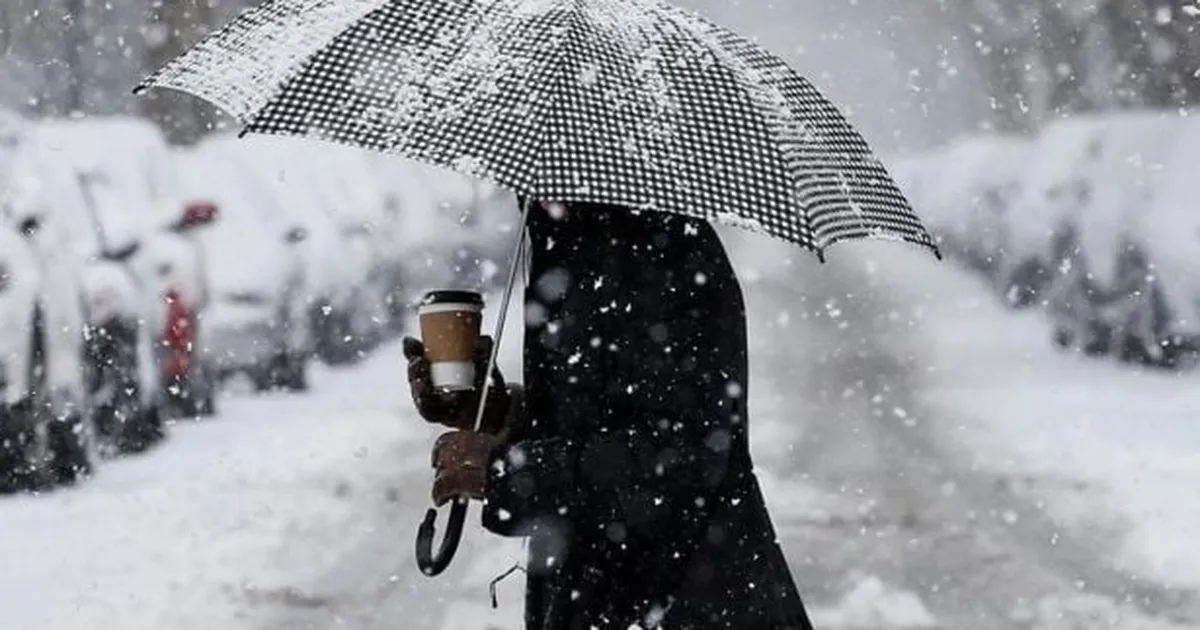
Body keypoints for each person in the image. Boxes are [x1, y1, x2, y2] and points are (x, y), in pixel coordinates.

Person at [404, 200, 813, 630]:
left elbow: (682, 455)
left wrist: (509, 473)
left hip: (681, 596)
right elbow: (592, 417)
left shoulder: (664, 254)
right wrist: (493, 411)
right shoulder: (567, 241)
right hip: (598, 597)